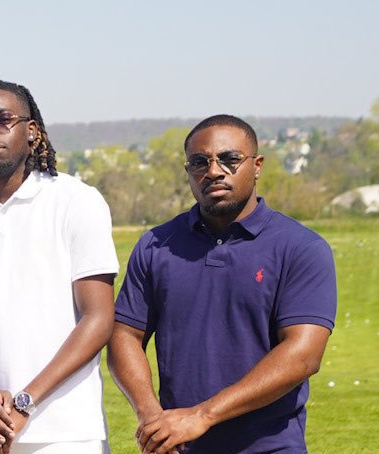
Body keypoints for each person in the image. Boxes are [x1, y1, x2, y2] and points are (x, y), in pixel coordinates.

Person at [107, 114, 336, 453]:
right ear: (188, 171)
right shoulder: (156, 245)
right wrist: (151, 417)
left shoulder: (301, 247)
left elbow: (303, 356)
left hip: (269, 447)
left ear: (257, 165)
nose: (213, 171)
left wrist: (203, 415)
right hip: (179, 446)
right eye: (199, 162)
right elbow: (125, 334)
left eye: (229, 159)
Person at [0, 79, 117, 454]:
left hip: (67, 433)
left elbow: (98, 319)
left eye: (3, 118)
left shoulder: (76, 201)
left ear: (32, 132)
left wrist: (25, 402)